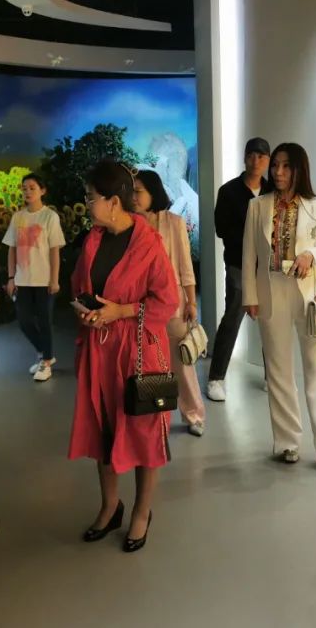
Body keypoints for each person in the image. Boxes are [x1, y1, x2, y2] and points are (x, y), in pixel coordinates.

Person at [68, 159, 179, 553]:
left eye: (91, 197)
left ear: (113, 202)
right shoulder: (92, 241)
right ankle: (109, 506)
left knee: (144, 433)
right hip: (99, 351)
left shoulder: (149, 244)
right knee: (104, 428)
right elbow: (79, 285)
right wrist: (86, 310)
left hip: (138, 354)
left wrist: (122, 311)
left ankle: (141, 512)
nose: (87, 204)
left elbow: (167, 301)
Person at [241, 143, 316, 470]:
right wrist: (250, 296)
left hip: (309, 293)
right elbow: (249, 255)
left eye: (286, 166)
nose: (278, 172)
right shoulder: (257, 205)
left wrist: (310, 254)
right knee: (279, 370)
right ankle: (287, 442)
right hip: (271, 291)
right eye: (276, 166)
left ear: (299, 169)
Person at [133, 170, 205, 437]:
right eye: (132, 191)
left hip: (173, 305)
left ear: (153, 192)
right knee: (149, 364)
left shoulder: (174, 222)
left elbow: (186, 266)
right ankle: (155, 415)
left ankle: (194, 414)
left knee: (182, 363)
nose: (133, 196)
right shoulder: (131, 226)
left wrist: (191, 302)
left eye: (138, 191)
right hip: (141, 306)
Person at [205, 137, 273, 402]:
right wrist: (252, 240)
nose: (256, 161)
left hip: (268, 267)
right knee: (233, 316)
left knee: (270, 319)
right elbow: (222, 229)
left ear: (267, 161)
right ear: (245, 158)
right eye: (251, 155)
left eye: (261, 156)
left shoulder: (272, 191)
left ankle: (272, 376)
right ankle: (216, 378)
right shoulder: (229, 191)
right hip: (238, 264)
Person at [2, 174, 66, 382]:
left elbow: (55, 250)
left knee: (45, 322)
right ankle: (45, 353)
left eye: (32, 187)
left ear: (42, 190)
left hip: (44, 280)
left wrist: (54, 279)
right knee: (24, 321)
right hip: (22, 280)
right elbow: (12, 249)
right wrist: (11, 278)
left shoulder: (50, 217)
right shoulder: (18, 217)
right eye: (24, 188)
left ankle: (46, 362)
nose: (27, 192)